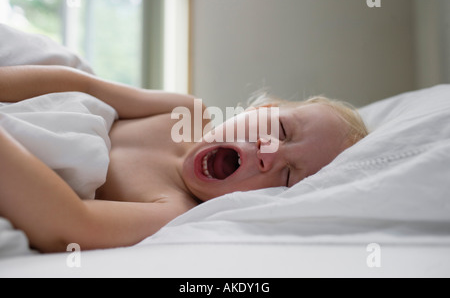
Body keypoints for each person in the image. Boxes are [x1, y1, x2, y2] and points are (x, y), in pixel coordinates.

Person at [0, 65, 368, 253]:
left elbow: (69, 225)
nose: (269, 153)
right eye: (283, 130)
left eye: (288, 177)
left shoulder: (170, 210)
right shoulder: (185, 111)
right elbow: (84, 86)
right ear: (263, 108)